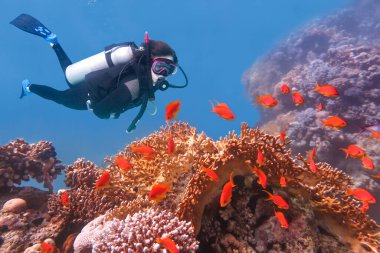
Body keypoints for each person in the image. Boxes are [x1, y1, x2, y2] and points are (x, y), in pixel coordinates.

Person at [11, 14, 188, 132]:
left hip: (93, 82)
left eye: (169, 70)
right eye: (160, 67)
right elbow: (100, 112)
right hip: (86, 95)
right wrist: (112, 114)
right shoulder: (134, 85)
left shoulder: (142, 77)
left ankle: (54, 42)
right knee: (59, 97)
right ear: (149, 62)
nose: (163, 74)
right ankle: (28, 86)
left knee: (68, 74)